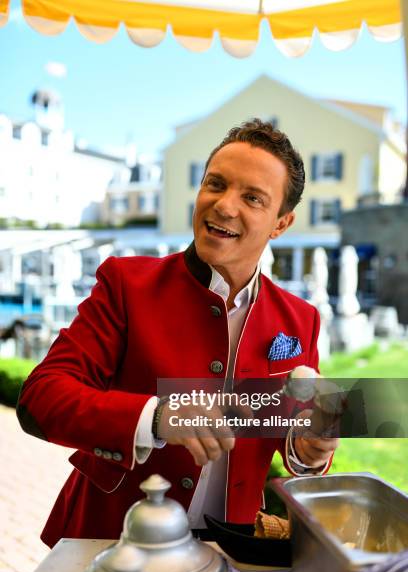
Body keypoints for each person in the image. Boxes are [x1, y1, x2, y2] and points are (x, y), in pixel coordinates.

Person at [17, 119, 338, 548]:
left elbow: (290, 431)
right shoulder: (125, 284)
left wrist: (309, 449)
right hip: (111, 541)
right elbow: (41, 398)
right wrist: (157, 417)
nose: (224, 206)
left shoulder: (302, 319)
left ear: (281, 223)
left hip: (231, 553)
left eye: (252, 198)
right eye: (215, 184)